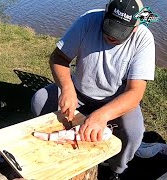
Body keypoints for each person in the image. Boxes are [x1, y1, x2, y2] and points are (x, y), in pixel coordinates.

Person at [31, 0, 155, 179]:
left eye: (121, 33)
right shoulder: (88, 20)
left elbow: (135, 93)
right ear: (105, 15)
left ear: (135, 27)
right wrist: (67, 88)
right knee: (40, 100)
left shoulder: (144, 38)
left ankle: (116, 170)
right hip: (78, 91)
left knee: (134, 133)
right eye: (109, 28)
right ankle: (54, 152)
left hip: (115, 100)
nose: (112, 37)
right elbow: (58, 58)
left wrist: (102, 115)